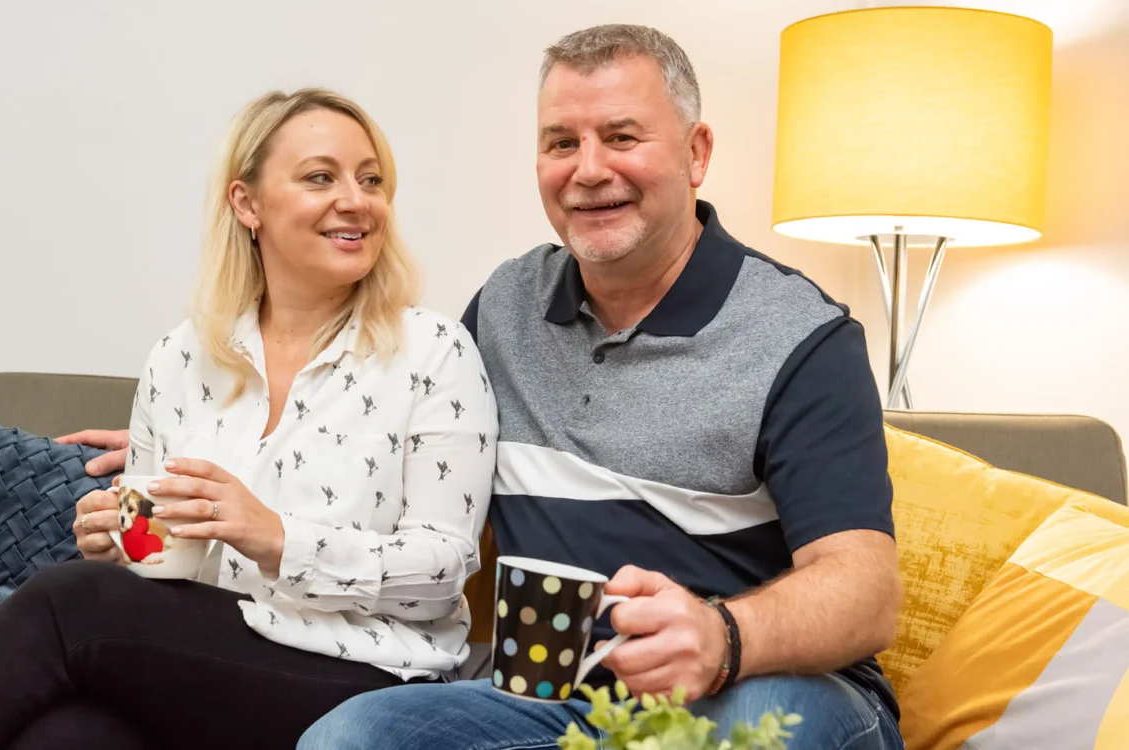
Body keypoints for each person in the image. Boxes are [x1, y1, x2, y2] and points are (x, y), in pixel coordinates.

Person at [298, 24, 904, 750]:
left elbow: (867, 593)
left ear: (696, 153)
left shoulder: (800, 337)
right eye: (561, 143)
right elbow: (373, 451)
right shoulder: (502, 309)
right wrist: (173, 459)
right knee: (350, 739)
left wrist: (723, 638)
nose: (587, 170)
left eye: (621, 137)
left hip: (758, 687)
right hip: (547, 698)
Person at [0, 87, 498, 750]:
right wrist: (122, 542)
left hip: (373, 674)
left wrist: (277, 536)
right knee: (69, 735)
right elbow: (161, 559)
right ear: (246, 203)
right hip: (216, 659)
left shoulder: (432, 351)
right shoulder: (179, 358)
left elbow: (443, 570)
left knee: (69, 601)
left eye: (371, 180)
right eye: (321, 177)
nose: (357, 199)